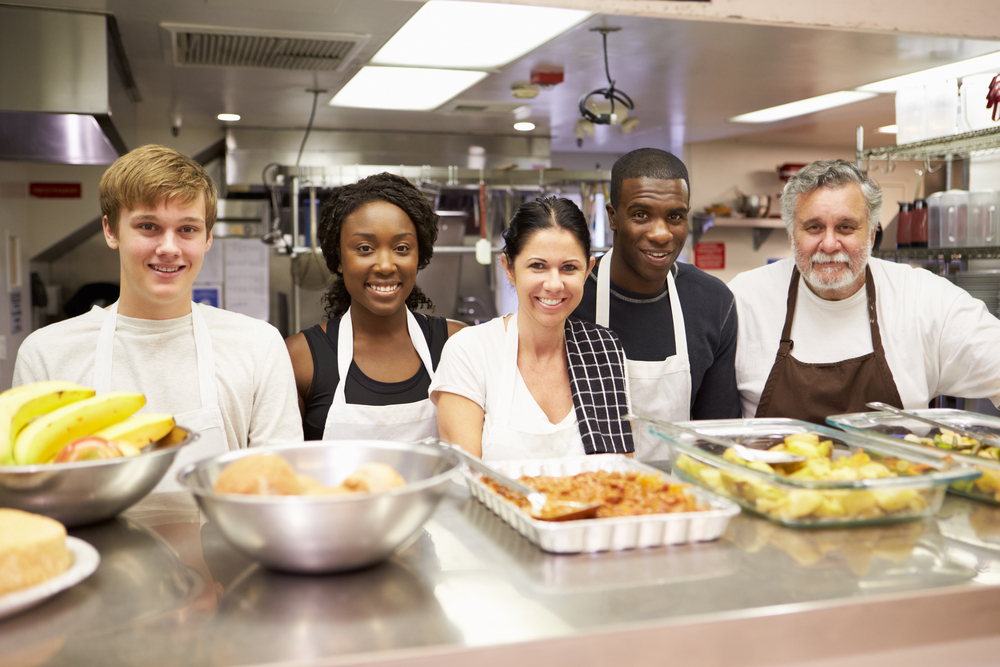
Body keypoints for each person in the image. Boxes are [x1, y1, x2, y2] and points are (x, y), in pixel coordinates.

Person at [13, 144, 302, 488]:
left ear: (208, 237)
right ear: (111, 230)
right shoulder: (47, 353)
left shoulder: (258, 345)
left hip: (226, 540)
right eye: (148, 226)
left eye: (187, 229)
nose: (169, 247)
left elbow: (279, 483)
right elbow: (31, 487)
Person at [728, 159, 1000, 423]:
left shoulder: (923, 299)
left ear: (871, 235)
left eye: (846, 227)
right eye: (814, 227)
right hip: (771, 468)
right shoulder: (743, 300)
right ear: (791, 235)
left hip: (896, 470)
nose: (830, 244)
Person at [431, 197, 633, 460]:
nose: (554, 284)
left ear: (587, 271)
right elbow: (466, 477)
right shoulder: (470, 351)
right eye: (537, 266)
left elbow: (622, 473)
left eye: (569, 268)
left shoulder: (603, 349)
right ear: (509, 268)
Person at [572, 148, 740, 459]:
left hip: (683, 493)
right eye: (641, 215)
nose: (661, 234)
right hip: (587, 491)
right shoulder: (572, 299)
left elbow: (718, 435)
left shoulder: (713, 303)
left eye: (675, 216)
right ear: (613, 217)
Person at [285, 173, 464, 442]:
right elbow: (284, 471)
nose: (385, 265)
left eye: (402, 248)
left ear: (419, 256)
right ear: (339, 259)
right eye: (365, 248)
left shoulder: (457, 344)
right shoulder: (299, 359)